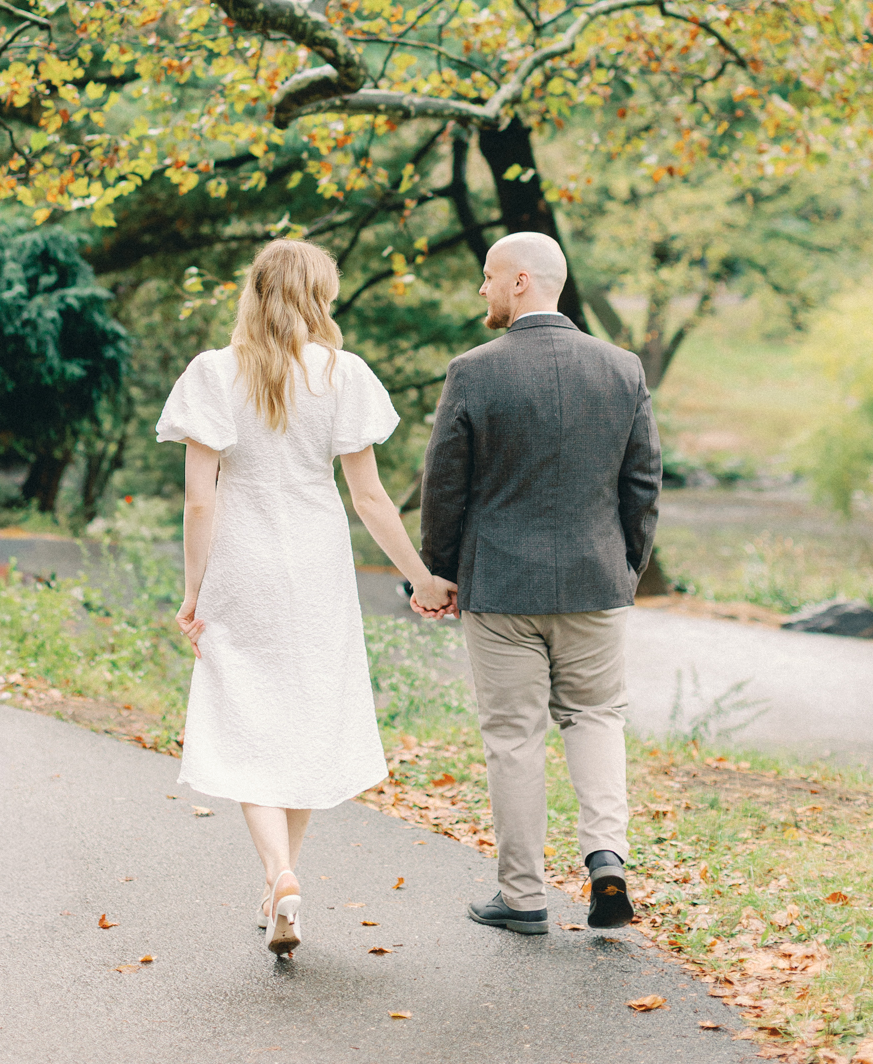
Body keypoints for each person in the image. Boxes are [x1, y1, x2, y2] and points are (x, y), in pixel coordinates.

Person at [156, 238, 455, 957]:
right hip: (318, 565)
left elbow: (200, 501)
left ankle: (278, 878)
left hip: (242, 563)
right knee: (307, 718)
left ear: (255, 292)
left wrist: (194, 591)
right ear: (319, 296)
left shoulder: (214, 372)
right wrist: (420, 577)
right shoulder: (343, 375)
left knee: (244, 719)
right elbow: (370, 498)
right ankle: (281, 881)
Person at [419, 230, 661, 935]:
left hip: (501, 588)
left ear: (521, 280)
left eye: (489, 276)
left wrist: (441, 572)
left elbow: (444, 484)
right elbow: (643, 483)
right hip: (596, 580)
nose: (483, 290)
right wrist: (625, 566)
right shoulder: (621, 368)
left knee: (514, 737)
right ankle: (607, 859)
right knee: (597, 717)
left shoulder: (473, 371)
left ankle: (523, 898)